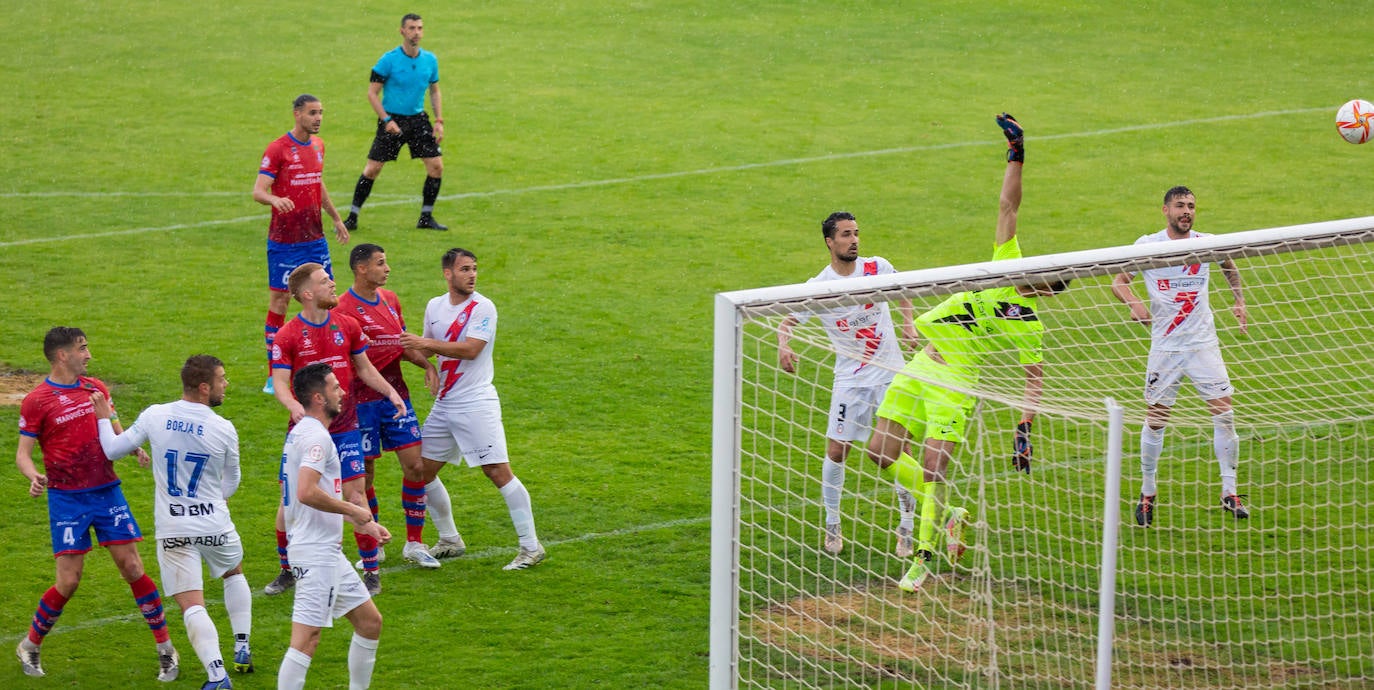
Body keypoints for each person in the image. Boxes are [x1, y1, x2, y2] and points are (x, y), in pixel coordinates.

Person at [867, 114, 1071, 592]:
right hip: (922, 366)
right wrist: (1016, 151)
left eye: (1046, 274)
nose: (1036, 269)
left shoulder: (1027, 322)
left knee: (934, 470)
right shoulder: (1006, 260)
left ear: (1046, 290)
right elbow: (1007, 204)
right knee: (879, 452)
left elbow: (1034, 377)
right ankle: (953, 514)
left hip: (957, 385)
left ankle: (922, 557)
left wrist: (1024, 427)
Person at [14, 327, 180, 681]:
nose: (88, 355)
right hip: (66, 499)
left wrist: (132, 446)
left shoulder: (96, 389)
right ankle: (30, 645)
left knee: (132, 567)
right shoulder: (37, 401)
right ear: (62, 355)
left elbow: (115, 434)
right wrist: (33, 475)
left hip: (106, 491)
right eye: (82, 349)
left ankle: (166, 649)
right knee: (69, 581)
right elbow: (23, 454)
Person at [91, 355, 254, 689]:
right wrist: (208, 501)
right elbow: (231, 483)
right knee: (233, 571)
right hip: (215, 525)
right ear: (205, 387)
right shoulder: (223, 428)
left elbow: (111, 450)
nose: (226, 384)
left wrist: (104, 418)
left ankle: (217, 675)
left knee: (192, 604)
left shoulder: (156, 415)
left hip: (174, 528)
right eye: (222, 379)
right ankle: (242, 646)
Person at [776, 212, 923, 557]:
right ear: (830, 242)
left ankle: (907, 528)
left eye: (856, 233)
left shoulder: (877, 268)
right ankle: (832, 524)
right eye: (846, 234)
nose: (854, 240)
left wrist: (908, 323)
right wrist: (783, 344)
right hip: (850, 380)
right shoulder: (818, 287)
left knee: (899, 451)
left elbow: (904, 291)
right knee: (837, 450)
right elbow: (787, 323)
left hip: (890, 374)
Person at [1110, 186, 1250, 526]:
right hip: (1166, 348)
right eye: (1179, 206)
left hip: (1204, 345)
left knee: (1225, 415)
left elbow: (1228, 265)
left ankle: (1229, 491)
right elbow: (1119, 282)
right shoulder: (1148, 246)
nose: (1186, 211)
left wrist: (1238, 299)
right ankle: (1147, 491)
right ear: (1165, 210)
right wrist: (1134, 303)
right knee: (1156, 421)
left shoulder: (1205, 241)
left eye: (1190, 206)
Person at [264, 263, 406, 597]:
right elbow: (280, 383)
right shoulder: (288, 336)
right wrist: (293, 406)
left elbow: (365, 368)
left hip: (345, 427)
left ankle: (371, 571)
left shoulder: (348, 325)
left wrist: (390, 391)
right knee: (289, 502)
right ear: (307, 294)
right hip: (306, 430)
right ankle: (287, 570)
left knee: (356, 494)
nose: (333, 284)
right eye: (325, 281)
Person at [400, 248, 546, 570]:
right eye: (465, 269)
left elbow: (470, 349)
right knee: (420, 472)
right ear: (447, 274)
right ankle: (450, 539)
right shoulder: (435, 307)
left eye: (475, 269)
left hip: (476, 403)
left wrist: (424, 346)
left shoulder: (483, 307)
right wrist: (427, 365)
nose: (472, 274)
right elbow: (425, 345)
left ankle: (531, 546)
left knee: (496, 471)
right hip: (445, 404)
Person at [337, 243, 456, 569]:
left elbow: (400, 342)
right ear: (362, 269)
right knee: (366, 474)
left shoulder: (390, 300)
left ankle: (415, 543)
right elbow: (352, 357)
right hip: (360, 402)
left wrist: (426, 365)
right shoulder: (343, 309)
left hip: (396, 396)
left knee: (416, 465)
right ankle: (375, 541)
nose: (387, 269)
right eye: (381, 263)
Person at [276, 363, 389, 690]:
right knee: (306, 640)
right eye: (335, 387)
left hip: (325, 550)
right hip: (315, 554)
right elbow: (307, 492)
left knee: (370, 623)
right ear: (318, 397)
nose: (342, 392)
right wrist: (356, 512)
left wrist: (365, 525)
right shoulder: (316, 438)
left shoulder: (301, 432)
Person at [254, 93, 351, 395]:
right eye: (312, 113)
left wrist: (335, 218)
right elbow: (258, 190)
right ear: (297, 114)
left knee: (328, 298)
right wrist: (274, 198)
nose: (318, 118)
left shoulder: (319, 146)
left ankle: (326, 359)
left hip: (314, 239)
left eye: (321, 112)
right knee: (280, 302)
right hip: (284, 242)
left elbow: (317, 183)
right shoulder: (278, 148)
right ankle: (274, 372)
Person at [344, 13, 449, 232]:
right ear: (402, 31)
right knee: (373, 169)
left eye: (420, 28)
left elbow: (435, 90)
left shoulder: (430, 60)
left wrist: (438, 120)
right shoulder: (388, 60)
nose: (416, 32)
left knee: (436, 166)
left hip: (418, 119)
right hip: (392, 119)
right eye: (411, 28)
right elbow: (372, 93)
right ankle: (352, 217)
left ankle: (426, 218)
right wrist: (386, 120)